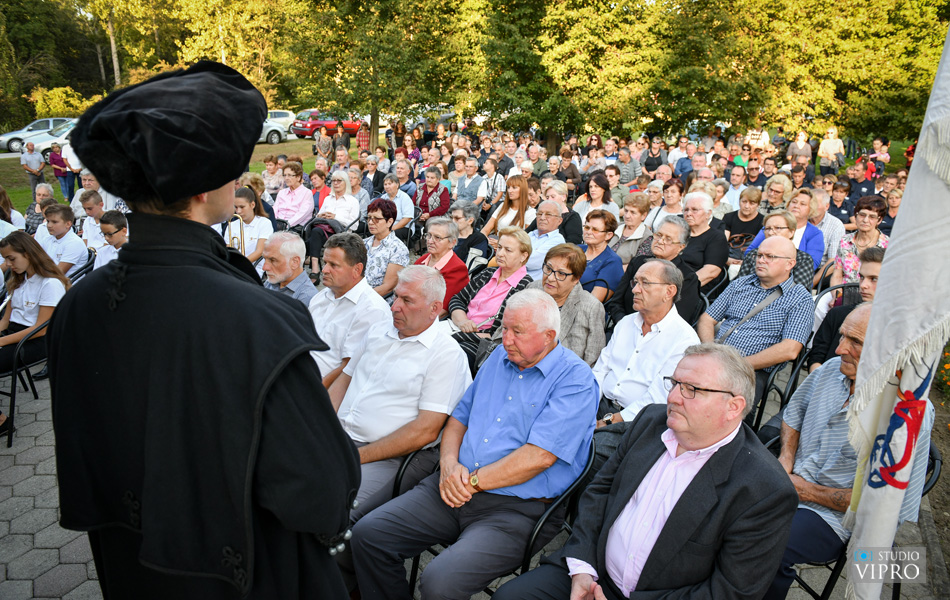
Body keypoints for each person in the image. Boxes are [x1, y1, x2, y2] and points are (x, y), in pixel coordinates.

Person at [50, 62, 359, 599]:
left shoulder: (79, 304)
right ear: (201, 189)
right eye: (231, 167)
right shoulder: (255, 318)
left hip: (132, 572)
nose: (238, 179)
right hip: (249, 576)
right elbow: (320, 490)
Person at [493, 343, 798, 600]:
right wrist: (583, 567)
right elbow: (599, 492)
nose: (674, 397)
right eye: (675, 383)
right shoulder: (652, 422)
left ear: (733, 407)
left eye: (692, 389)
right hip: (593, 573)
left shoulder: (764, 489)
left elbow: (731, 592)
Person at [351, 289, 598, 600]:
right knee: (369, 535)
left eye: (517, 331)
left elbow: (539, 457)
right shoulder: (499, 357)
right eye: (504, 328)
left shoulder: (575, 380)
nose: (506, 338)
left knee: (440, 581)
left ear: (548, 336)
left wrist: (471, 482)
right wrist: (449, 465)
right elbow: (458, 419)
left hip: (516, 510)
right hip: (452, 485)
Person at [764, 304, 933, 600]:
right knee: (721, 510)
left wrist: (807, 492)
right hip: (790, 484)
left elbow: (885, 503)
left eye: (855, 342)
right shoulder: (831, 369)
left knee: (767, 547)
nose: (840, 348)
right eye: (843, 336)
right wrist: (786, 457)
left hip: (834, 519)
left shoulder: (907, 413)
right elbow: (794, 414)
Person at [328, 265, 471, 528]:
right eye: (395, 296)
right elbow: (344, 381)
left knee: (329, 508)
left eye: (407, 300)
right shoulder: (378, 330)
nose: (394, 306)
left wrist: (355, 456)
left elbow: (425, 431)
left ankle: (336, 567)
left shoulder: (446, 355)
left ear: (434, 308)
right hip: (339, 439)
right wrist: (321, 427)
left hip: (388, 456)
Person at [592, 259, 699, 444]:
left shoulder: (684, 340)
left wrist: (607, 421)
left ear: (669, 292)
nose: (634, 289)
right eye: (635, 282)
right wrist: (585, 406)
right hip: (600, 404)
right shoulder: (627, 322)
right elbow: (601, 370)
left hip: (637, 421)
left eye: (645, 283)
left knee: (589, 449)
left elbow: (657, 399)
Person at [698, 236, 813, 404]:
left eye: (770, 256)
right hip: (716, 355)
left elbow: (790, 348)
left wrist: (738, 364)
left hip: (752, 369)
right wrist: (709, 350)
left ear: (790, 264)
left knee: (722, 405)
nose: (761, 260)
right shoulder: (741, 284)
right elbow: (707, 319)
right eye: (759, 255)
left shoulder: (800, 298)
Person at [0, 231, 70, 429]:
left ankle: (2, 422)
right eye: (6, 259)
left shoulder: (50, 283)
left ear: (28, 254)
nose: (8, 263)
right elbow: (5, 321)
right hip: (16, 334)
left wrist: (2, 341)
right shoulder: (18, 280)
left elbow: (40, 329)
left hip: (35, 342)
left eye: (11, 258)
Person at [449, 226, 533, 371]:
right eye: (499, 247)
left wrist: (459, 335)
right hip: (456, 328)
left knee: (447, 357)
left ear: (523, 256)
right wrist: (462, 321)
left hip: (480, 344)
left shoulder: (526, 288)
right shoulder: (487, 273)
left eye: (508, 250)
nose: (500, 253)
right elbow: (458, 299)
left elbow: (497, 335)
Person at [607, 216, 701, 326]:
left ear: (681, 247)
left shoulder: (687, 277)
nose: (660, 241)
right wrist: (624, 324)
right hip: (624, 327)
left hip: (660, 336)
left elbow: (679, 318)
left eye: (668, 239)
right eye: (659, 235)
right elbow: (616, 302)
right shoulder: (638, 262)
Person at [523, 244, 604, 365]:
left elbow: (592, 360)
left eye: (561, 274)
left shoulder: (591, 308)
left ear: (576, 278)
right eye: (548, 269)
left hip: (562, 375)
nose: (550, 278)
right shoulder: (533, 289)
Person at [809, 247, 882, 372]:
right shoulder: (837, 314)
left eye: (874, 279)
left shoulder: (897, 327)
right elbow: (816, 357)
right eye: (862, 277)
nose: (863, 285)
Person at [746, 188, 825, 271]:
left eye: (802, 204)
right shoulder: (770, 226)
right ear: (788, 204)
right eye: (794, 202)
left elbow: (812, 264)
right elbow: (749, 252)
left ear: (811, 209)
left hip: (796, 277)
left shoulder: (815, 234)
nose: (796, 206)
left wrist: (778, 267)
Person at [830, 195, 888, 287]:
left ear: (879, 220)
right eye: (862, 215)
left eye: (872, 217)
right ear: (856, 216)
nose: (865, 220)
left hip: (873, 296)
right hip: (844, 293)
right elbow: (837, 275)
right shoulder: (845, 240)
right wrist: (836, 295)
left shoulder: (887, 245)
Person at [414, 217, 469, 309]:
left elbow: (442, 308)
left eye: (437, 237)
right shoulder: (421, 260)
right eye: (429, 235)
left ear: (452, 243)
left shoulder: (457, 269)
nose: (430, 241)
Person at [680, 191, 729, 295]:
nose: (688, 214)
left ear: (708, 213)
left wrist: (680, 286)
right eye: (686, 210)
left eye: (694, 210)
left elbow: (710, 272)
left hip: (695, 290)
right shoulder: (678, 233)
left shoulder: (717, 237)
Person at [364, 198, 411, 297]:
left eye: (376, 219)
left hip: (377, 299)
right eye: (369, 218)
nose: (371, 222)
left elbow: (388, 287)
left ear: (389, 222)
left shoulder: (398, 249)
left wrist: (361, 298)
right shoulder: (364, 243)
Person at [260, 231, 317, 306]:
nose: (264, 267)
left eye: (273, 260)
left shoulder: (306, 297)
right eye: (265, 259)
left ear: (295, 262)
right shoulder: (274, 281)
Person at [578, 210, 623, 302]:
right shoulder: (576, 249)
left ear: (608, 235)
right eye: (587, 227)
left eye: (595, 230)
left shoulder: (612, 262)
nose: (589, 232)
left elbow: (593, 302)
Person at [808, 188, 845, 286]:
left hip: (822, 270)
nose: (811, 207)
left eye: (816, 203)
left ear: (826, 206)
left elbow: (833, 261)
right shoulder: (800, 220)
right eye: (810, 203)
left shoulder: (836, 225)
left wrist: (811, 283)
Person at [39, 205, 87, 277]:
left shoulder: (74, 243)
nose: (49, 225)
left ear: (68, 224)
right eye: (48, 221)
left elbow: (58, 273)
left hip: (67, 285)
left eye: (54, 222)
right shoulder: (47, 239)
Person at [481, 175, 535, 239]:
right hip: (494, 241)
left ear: (523, 190)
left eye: (514, 187)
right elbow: (485, 229)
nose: (510, 190)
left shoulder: (530, 212)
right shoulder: (503, 206)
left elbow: (526, 239)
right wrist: (484, 240)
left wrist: (499, 243)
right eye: (508, 187)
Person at [524, 200, 565, 280]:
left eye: (548, 214)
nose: (542, 218)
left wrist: (512, 256)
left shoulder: (557, 241)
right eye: (539, 214)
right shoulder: (530, 235)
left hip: (532, 285)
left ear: (559, 221)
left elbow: (531, 262)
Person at [233, 186, 274, 265]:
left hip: (255, 267)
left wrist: (240, 264)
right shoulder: (231, 225)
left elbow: (259, 251)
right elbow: (229, 249)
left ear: (252, 205)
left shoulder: (265, 223)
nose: (238, 211)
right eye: (236, 207)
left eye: (242, 207)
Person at [608, 193, 650, 268]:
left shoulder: (647, 237)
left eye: (633, 212)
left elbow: (636, 266)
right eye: (626, 211)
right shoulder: (615, 227)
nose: (627, 216)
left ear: (643, 216)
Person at [273, 161, 314, 228]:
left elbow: (302, 215)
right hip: (278, 224)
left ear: (298, 177)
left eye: (289, 175)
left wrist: (286, 225)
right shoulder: (282, 193)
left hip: (295, 227)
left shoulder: (307, 193)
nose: (286, 178)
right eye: (285, 175)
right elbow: (275, 210)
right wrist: (273, 223)